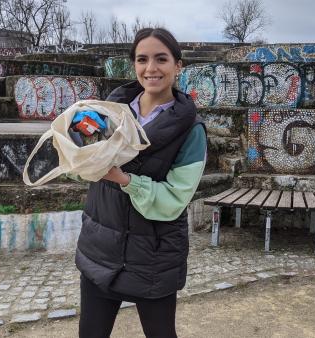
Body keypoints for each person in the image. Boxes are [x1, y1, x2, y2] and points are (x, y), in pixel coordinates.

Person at [75, 27, 206, 338]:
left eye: (161, 59)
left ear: (178, 65)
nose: (151, 69)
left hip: (153, 258)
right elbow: (80, 165)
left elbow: (175, 198)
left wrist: (124, 179)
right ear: (133, 64)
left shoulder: (192, 131)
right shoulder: (108, 113)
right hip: (101, 247)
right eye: (142, 59)